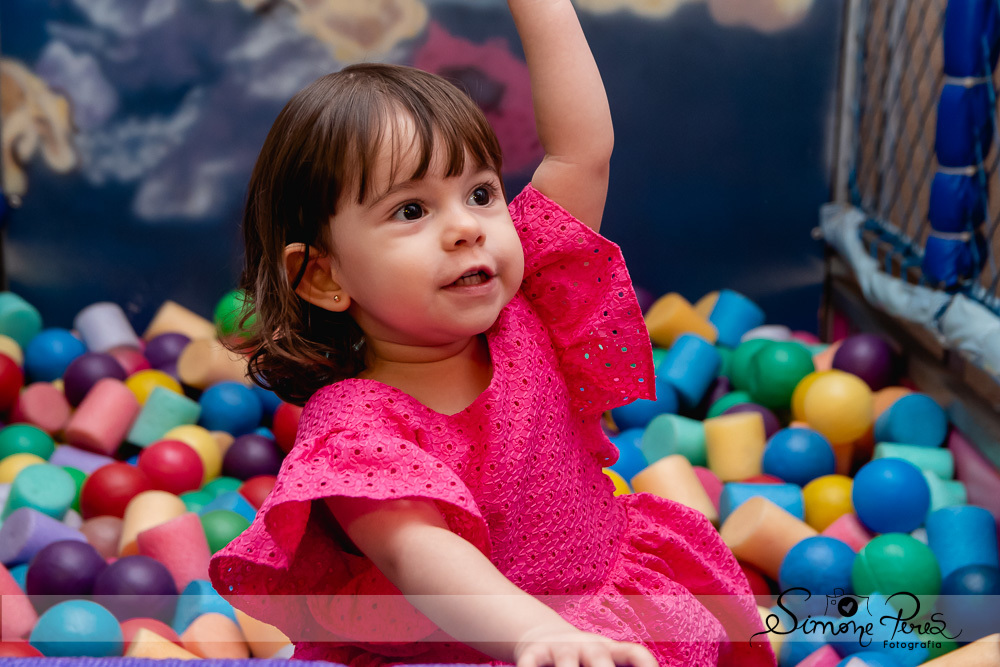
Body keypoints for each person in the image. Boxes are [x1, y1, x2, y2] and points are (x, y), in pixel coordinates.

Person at [210, 1, 774, 665]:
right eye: (411, 210)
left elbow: (582, 152)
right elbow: (420, 553)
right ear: (322, 276)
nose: (466, 227)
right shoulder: (354, 429)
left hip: (606, 605)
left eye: (480, 193)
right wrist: (534, 631)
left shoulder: (532, 302)